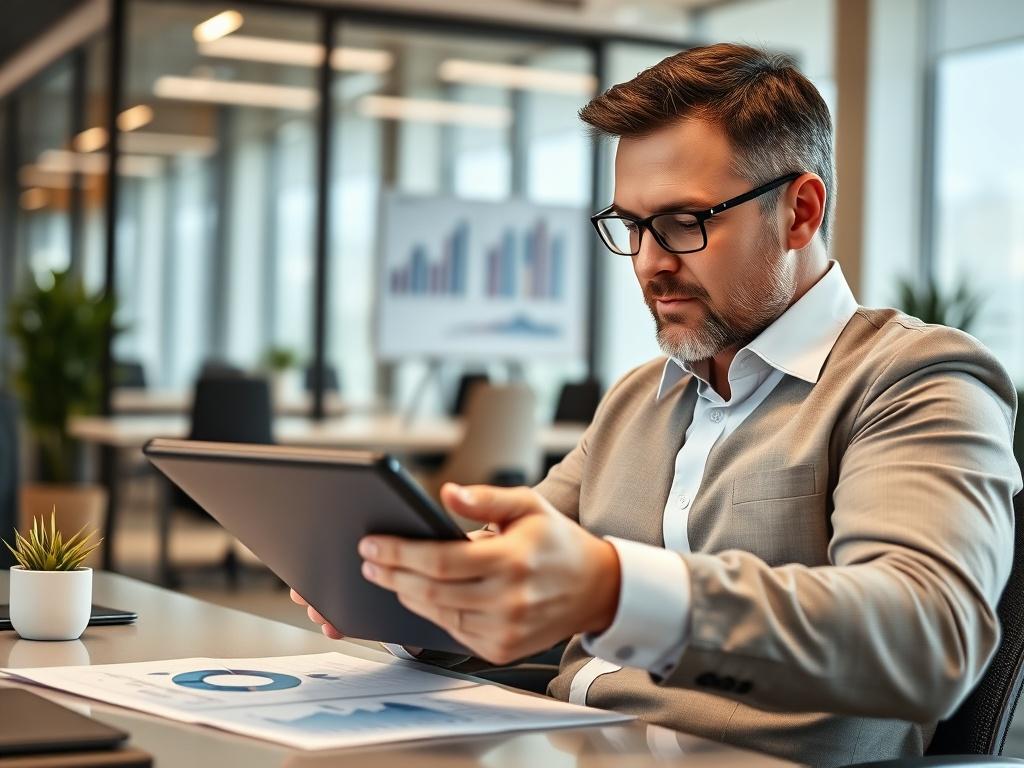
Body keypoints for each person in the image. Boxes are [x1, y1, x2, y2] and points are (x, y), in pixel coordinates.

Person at [292, 43, 1021, 766]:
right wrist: (413, 595)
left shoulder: (914, 378)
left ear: (799, 212)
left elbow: (929, 637)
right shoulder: (642, 395)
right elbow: (532, 576)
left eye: (683, 222)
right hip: (564, 743)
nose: (649, 262)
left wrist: (613, 592)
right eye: (632, 227)